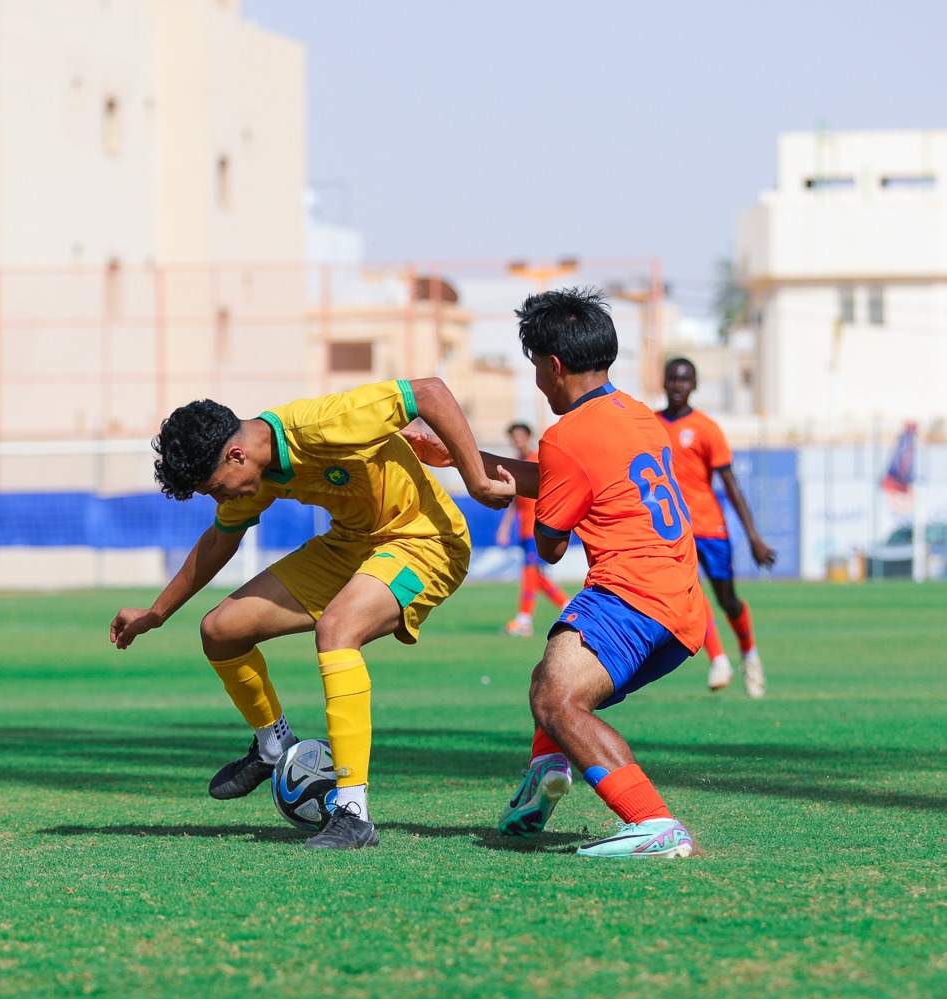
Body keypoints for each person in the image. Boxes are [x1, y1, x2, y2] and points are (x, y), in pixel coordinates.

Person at [110, 378, 514, 851]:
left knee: (338, 630)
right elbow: (220, 540)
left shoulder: (323, 423)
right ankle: (272, 746)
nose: (220, 500)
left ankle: (352, 811)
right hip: (351, 545)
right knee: (220, 631)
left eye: (215, 489)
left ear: (235, 455)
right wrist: (157, 613)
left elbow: (428, 393)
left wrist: (476, 479)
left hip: (424, 542)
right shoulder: (255, 472)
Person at [430, 287, 707, 858]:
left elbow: (551, 547)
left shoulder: (567, 435)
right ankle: (544, 774)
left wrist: (490, 489)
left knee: (557, 702)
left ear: (553, 366)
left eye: (535, 367)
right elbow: (570, 473)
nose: (536, 381)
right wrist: (462, 456)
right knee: (549, 686)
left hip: (629, 595)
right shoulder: (638, 416)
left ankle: (654, 824)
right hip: (680, 606)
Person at [655, 357, 775, 698]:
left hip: (711, 527)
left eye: (684, 380)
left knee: (728, 601)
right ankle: (718, 659)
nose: (678, 385)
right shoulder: (649, 425)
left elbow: (731, 485)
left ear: (694, 386)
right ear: (663, 382)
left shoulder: (706, 428)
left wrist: (753, 537)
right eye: (672, 379)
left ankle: (749, 654)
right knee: (689, 591)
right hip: (675, 530)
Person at [495, 422, 570, 637]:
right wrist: (505, 526)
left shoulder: (538, 459)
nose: (517, 440)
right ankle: (568, 606)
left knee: (529, 573)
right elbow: (516, 501)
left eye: (520, 435)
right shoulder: (516, 464)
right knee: (534, 576)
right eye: (513, 436)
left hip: (538, 527)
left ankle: (524, 620)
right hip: (523, 528)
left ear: (528, 437)